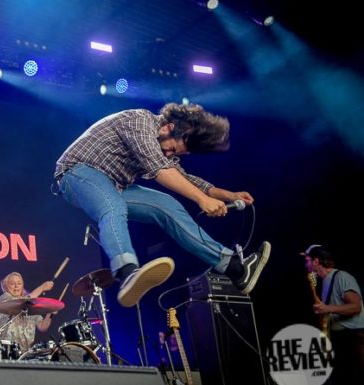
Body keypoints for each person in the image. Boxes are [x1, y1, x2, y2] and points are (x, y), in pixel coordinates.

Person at [54, 103, 271, 307]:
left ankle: (235, 269)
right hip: (76, 174)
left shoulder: (162, 142)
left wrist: (227, 195)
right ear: (168, 128)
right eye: (172, 149)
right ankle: (127, 272)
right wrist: (202, 199)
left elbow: (181, 176)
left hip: (114, 185)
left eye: (175, 154)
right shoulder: (139, 121)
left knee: (167, 205)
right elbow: (160, 170)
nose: (170, 154)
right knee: (112, 207)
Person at [302, 244, 364, 384]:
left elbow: (356, 307)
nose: (305, 264)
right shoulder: (325, 282)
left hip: (352, 338)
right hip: (340, 338)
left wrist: (327, 308)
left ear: (316, 261)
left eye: (307, 260)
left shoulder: (342, 276)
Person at [0, 272, 55, 352]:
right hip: (7, 350)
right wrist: (42, 287)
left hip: (25, 352)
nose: (16, 286)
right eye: (12, 284)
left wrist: (50, 313)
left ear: (22, 286)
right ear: (6, 287)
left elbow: (42, 327)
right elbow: (22, 302)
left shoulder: (30, 305)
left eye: (19, 283)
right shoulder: (5, 298)